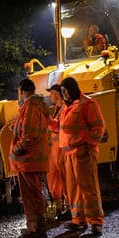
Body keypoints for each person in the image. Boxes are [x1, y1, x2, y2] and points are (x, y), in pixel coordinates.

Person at [58, 76, 106, 235]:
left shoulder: (87, 104)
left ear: (72, 88)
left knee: (88, 188)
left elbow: (98, 128)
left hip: (82, 152)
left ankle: (96, 222)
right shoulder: (66, 107)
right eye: (62, 92)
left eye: (65, 91)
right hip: (69, 154)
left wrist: (89, 147)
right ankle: (78, 220)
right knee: (73, 189)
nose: (63, 94)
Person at [10, 78, 52, 238]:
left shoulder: (31, 107)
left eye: (19, 93)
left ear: (22, 91)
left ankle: (38, 230)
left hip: (29, 159)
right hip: (31, 159)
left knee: (32, 195)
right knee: (31, 195)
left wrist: (16, 150)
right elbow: (30, 129)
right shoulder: (33, 107)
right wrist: (16, 127)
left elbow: (30, 135)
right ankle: (34, 228)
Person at [45, 84, 69, 220]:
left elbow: (58, 126)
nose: (50, 96)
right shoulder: (55, 109)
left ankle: (71, 207)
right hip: (54, 148)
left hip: (61, 148)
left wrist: (46, 120)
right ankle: (59, 205)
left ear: (58, 94)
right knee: (53, 177)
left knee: (65, 177)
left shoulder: (65, 108)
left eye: (52, 93)